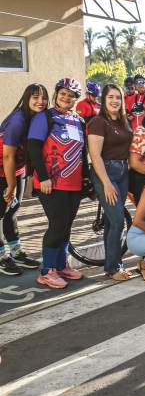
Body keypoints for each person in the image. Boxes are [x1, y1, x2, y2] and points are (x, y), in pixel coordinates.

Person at [27, 78, 89, 289]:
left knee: (66, 225)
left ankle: (61, 265)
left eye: (71, 95)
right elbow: (33, 147)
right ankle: (46, 271)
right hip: (51, 183)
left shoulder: (79, 121)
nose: (66, 97)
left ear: (75, 99)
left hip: (73, 183)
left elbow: (83, 153)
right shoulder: (45, 116)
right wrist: (43, 177)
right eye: (63, 93)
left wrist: (86, 179)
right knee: (57, 225)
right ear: (56, 95)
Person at [87, 83, 134, 281]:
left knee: (110, 222)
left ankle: (110, 265)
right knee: (117, 221)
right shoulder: (98, 122)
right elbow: (95, 155)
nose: (115, 101)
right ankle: (114, 268)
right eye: (110, 97)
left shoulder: (123, 121)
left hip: (123, 171)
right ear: (104, 100)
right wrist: (106, 183)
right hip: (105, 172)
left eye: (118, 97)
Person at [0, 83, 47, 275]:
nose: (40, 101)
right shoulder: (18, 120)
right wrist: (10, 185)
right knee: (1, 211)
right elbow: (8, 156)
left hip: (15, 169)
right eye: (35, 97)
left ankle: (16, 251)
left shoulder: (37, 117)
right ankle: (2, 256)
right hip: (3, 167)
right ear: (27, 99)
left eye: (43, 97)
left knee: (13, 209)